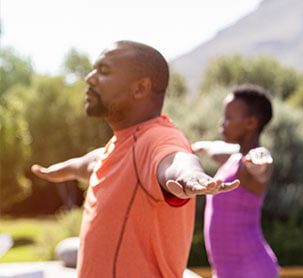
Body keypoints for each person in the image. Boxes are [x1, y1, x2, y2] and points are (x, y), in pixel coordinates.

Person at [30, 40, 239, 277]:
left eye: (104, 71)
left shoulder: (157, 138)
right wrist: (59, 170)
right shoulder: (121, 144)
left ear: (140, 88)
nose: (90, 78)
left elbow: (176, 160)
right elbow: (90, 163)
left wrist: (191, 176)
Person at [192, 85, 279, 278]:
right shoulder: (234, 157)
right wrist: (199, 147)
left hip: (253, 271)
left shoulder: (251, 162)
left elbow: (261, 170)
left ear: (250, 123)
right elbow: (216, 149)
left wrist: (259, 164)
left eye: (229, 118)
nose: (222, 123)